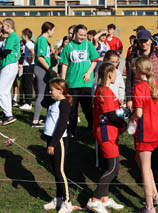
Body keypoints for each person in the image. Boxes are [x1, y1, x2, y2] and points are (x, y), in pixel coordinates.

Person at [125, 29, 158, 178]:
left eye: (145, 40)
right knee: (140, 131)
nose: (143, 43)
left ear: (150, 40)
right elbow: (129, 79)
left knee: (156, 135)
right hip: (139, 96)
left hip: (155, 96)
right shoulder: (133, 56)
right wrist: (129, 98)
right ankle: (144, 166)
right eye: (141, 41)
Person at [130, 56, 158, 213]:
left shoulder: (139, 88)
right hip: (157, 130)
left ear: (139, 70)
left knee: (145, 168)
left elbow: (138, 113)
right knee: (140, 161)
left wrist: (131, 117)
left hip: (145, 131)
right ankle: (155, 195)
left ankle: (149, 207)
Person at [86, 62, 126, 213]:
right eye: (116, 72)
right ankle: (94, 199)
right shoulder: (104, 92)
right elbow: (111, 115)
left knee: (111, 166)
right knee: (113, 168)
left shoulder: (107, 91)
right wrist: (123, 124)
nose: (118, 75)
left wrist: (123, 113)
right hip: (106, 133)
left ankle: (104, 197)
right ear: (109, 74)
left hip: (111, 133)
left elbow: (115, 111)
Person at [60, 24, 99, 137]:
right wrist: (63, 80)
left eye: (84, 35)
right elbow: (64, 64)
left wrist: (89, 72)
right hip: (72, 82)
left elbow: (95, 60)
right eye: (80, 35)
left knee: (87, 107)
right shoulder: (69, 46)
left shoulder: (88, 45)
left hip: (86, 82)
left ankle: (92, 127)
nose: (82, 37)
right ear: (75, 34)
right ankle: (72, 130)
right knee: (72, 108)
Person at [43, 78, 73, 213]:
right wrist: (48, 91)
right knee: (55, 171)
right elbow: (43, 101)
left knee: (60, 171)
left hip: (58, 141)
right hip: (51, 139)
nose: (50, 92)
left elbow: (61, 126)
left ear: (60, 91)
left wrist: (53, 144)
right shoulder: (53, 101)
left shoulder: (64, 104)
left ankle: (67, 202)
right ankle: (59, 198)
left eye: (52, 90)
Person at [32, 21, 55, 127]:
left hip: (44, 69)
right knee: (41, 94)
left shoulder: (44, 40)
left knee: (45, 93)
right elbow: (40, 57)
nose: (53, 32)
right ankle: (35, 120)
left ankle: (44, 117)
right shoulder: (42, 39)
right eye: (53, 30)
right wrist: (49, 69)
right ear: (48, 30)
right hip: (41, 69)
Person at [0, 18, 20, 125]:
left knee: (1, 91)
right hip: (8, 65)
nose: (2, 28)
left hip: (9, 64)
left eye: (3, 26)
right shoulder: (11, 37)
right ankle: (7, 114)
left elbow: (5, 52)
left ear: (8, 25)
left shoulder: (12, 36)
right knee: (6, 91)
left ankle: (9, 115)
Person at [19, 28, 35, 111]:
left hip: (28, 66)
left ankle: (28, 103)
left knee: (28, 84)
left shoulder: (29, 44)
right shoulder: (29, 43)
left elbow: (32, 52)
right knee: (25, 83)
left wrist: (31, 60)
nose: (21, 37)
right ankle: (27, 102)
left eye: (22, 35)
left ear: (25, 36)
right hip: (27, 66)